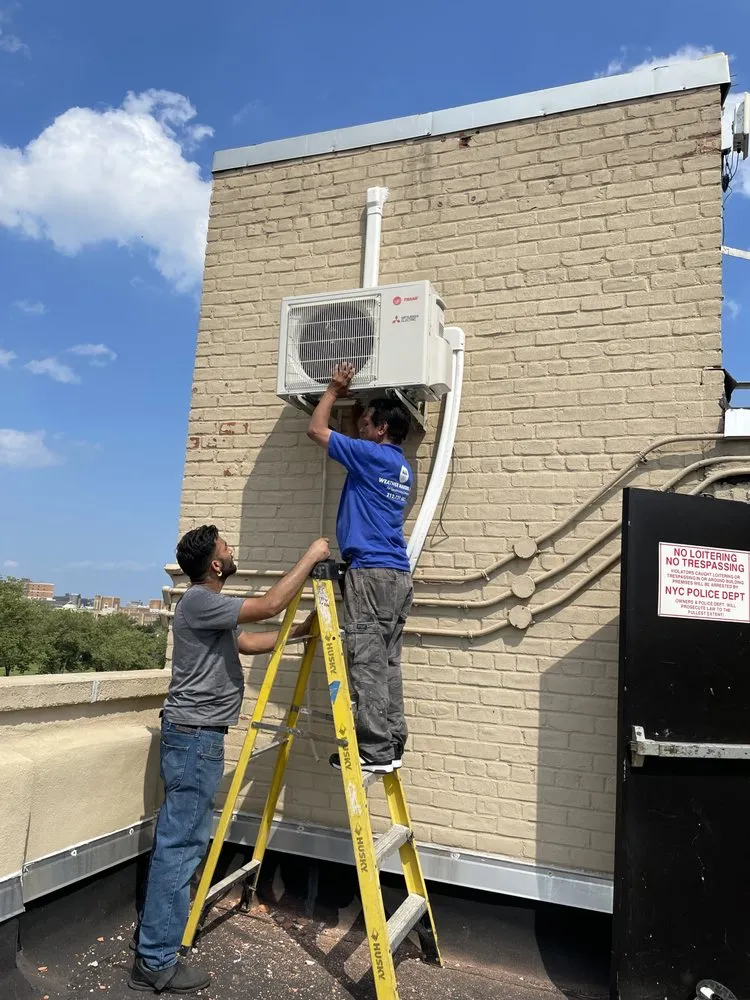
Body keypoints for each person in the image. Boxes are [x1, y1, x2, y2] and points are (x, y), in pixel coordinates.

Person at [129, 525, 329, 994]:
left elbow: (244, 642)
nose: (232, 550)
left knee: (184, 843)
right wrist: (311, 553)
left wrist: (298, 634)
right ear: (216, 565)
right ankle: (155, 962)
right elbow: (268, 606)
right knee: (180, 849)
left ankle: (155, 947)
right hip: (195, 739)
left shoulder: (207, 608)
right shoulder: (199, 600)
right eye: (226, 548)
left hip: (196, 738)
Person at [307, 363, 413, 776]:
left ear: (381, 428)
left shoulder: (370, 456)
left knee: (367, 662)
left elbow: (316, 431)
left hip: (370, 575)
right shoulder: (399, 466)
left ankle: (373, 750)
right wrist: (360, 409)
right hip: (397, 576)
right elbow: (355, 435)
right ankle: (393, 741)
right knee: (387, 663)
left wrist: (333, 390)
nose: (360, 429)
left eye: (366, 423)